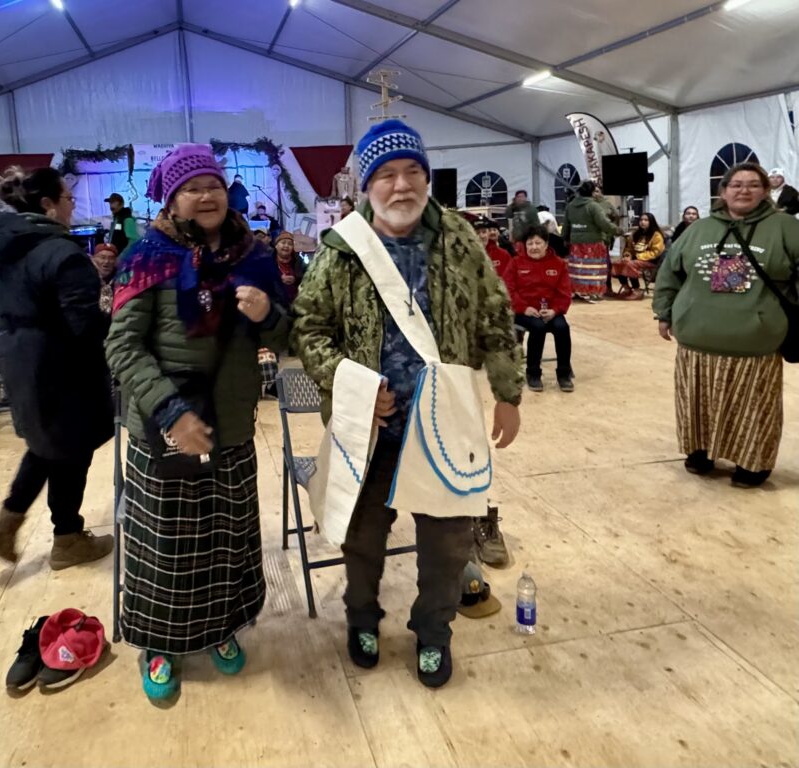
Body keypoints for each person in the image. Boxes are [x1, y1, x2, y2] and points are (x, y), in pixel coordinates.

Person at [291, 120, 523, 688]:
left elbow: (495, 313)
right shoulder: (343, 248)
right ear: (367, 186)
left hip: (447, 422)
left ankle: (434, 630)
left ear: (426, 177)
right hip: (370, 426)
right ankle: (362, 618)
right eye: (387, 175)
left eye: (412, 172)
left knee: (446, 541)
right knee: (363, 536)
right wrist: (351, 390)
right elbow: (310, 327)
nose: (401, 186)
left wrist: (509, 393)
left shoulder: (460, 239)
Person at [105, 144, 291, 701]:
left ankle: (220, 627)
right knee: (164, 542)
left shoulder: (254, 255)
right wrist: (171, 412)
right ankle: (159, 643)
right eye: (192, 187)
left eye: (212, 183)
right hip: (165, 429)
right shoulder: (146, 256)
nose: (205, 194)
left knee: (227, 539)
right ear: (172, 198)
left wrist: (268, 314)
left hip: (230, 427)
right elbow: (121, 346)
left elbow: (288, 337)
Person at [0, 166, 115, 569]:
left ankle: (6, 523)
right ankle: (67, 537)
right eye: (68, 198)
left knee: (46, 444)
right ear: (48, 205)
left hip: (21, 357)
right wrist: (120, 323)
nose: (73, 205)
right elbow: (83, 324)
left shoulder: (6, 248)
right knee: (70, 448)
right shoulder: (62, 253)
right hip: (61, 365)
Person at [653, 162, 799, 489]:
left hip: (755, 343)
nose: (743, 190)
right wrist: (664, 312)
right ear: (723, 192)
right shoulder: (700, 229)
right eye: (735, 184)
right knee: (696, 401)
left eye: (752, 184)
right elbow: (670, 273)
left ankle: (752, 463)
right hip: (697, 340)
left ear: (766, 191)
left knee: (752, 408)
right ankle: (699, 451)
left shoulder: (786, 227)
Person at [503, 226, 574, 392]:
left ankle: (564, 374)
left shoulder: (559, 265)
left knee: (562, 327)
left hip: (550, 311)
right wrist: (523, 307)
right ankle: (533, 374)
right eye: (530, 243)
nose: (533, 247)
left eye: (538, 243)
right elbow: (507, 289)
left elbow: (564, 292)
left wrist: (555, 310)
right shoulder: (516, 263)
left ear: (546, 244)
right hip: (523, 311)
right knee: (538, 327)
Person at [563, 181, 619, 301]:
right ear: (592, 192)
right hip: (593, 242)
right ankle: (593, 293)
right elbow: (604, 223)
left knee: (578, 268)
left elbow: (566, 226)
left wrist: (565, 238)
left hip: (576, 243)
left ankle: (577, 291)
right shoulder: (593, 206)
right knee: (593, 268)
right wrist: (617, 230)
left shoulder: (570, 206)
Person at [611, 212, 665, 300]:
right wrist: (627, 256)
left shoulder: (656, 235)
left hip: (650, 261)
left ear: (651, 222)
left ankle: (637, 290)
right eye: (641, 220)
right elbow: (628, 248)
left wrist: (637, 257)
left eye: (646, 220)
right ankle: (627, 289)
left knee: (630, 264)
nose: (643, 222)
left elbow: (655, 252)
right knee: (619, 263)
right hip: (635, 259)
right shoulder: (636, 234)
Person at [91, 242, 119, 314]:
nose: (106, 262)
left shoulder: (121, 281)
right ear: (93, 259)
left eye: (111, 258)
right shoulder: (86, 280)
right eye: (102, 257)